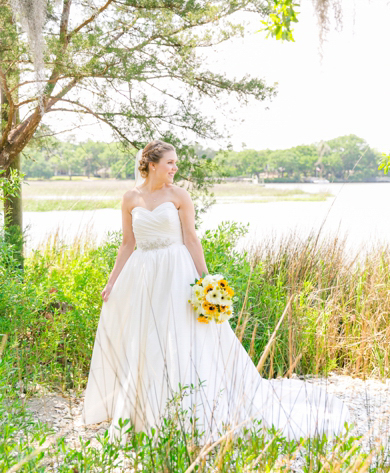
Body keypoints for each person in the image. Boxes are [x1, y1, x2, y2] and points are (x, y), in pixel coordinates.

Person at [81, 139, 351, 444]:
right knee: (147, 339)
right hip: (143, 274)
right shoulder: (130, 198)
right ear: (152, 164)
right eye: (170, 162)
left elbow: (192, 239)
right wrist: (112, 281)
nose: (175, 167)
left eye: (176, 162)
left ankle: (187, 409)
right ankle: (145, 412)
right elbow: (127, 243)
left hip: (175, 271)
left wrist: (206, 281)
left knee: (182, 337)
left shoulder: (179, 195)